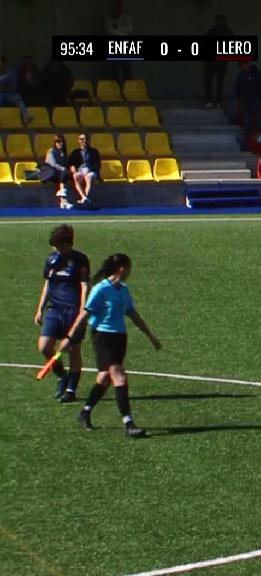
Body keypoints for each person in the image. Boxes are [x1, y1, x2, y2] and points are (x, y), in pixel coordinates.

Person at [61, 254, 161, 438]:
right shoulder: (101, 289)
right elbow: (84, 314)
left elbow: (133, 314)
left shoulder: (123, 289)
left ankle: (85, 412)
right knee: (119, 376)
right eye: (129, 268)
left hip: (119, 337)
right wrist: (70, 337)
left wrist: (150, 336)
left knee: (105, 377)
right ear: (122, 268)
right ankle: (128, 423)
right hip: (103, 337)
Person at [34, 225, 90, 402]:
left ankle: (71, 390)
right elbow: (48, 284)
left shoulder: (80, 260)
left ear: (67, 243)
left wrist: (83, 311)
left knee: (74, 350)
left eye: (58, 245)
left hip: (73, 310)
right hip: (54, 309)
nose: (55, 249)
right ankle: (61, 376)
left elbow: (84, 286)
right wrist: (40, 309)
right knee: (44, 346)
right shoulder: (51, 259)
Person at [204, 15, 234, 108]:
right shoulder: (213, 32)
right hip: (213, 61)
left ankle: (217, 101)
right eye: (218, 21)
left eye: (221, 21)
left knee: (218, 82)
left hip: (220, 61)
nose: (220, 23)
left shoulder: (226, 32)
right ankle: (212, 101)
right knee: (211, 81)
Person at [40, 135, 74, 209]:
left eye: (62, 142)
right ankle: (63, 199)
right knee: (63, 173)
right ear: (55, 143)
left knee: (64, 175)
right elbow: (53, 164)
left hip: (57, 174)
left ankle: (63, 202)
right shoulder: (50, 152)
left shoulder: (63, 153)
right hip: (48, 173)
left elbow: (65, 164)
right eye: (58, 142)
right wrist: (63, 168)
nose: (60, 143)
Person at [105, 1, 135, 84]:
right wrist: (123, 32)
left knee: (127, 70)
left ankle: (129, 90)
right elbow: (110, 31)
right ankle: (116, 91)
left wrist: (117, 30)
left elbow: (129, 30)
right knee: (115, 70)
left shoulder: (127, 18)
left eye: (120, 6)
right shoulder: (110, 18)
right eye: (117, 6)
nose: (119, 8)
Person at [68, 133, 101, 205]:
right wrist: (72, 167)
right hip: (80, 170)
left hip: (91, 171)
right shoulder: (75, 152)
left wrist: (90, 169)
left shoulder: (94, 151)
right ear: (79, 141)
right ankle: (84, 197)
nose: (84, 141)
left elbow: (98, 164)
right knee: (75, 176)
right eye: (82, 139)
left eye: (86, 139)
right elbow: (70, 163)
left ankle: (84, 198)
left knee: (89, 177)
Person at [234, 61, 261, 133]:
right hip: (245, 102)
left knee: (259, 120)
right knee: (247, 122)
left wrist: (259, 97)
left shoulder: (256, 73)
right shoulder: (240, 76)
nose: (243, 67)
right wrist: (241, 98)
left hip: (256, 100)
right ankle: (249, 139)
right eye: (241, 66)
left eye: (243, 65)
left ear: (247, 64)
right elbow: (238, 88)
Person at [0, 55, 33, 124]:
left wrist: (3, 86)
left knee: (17, 98)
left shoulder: (11, 72)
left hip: (8, 94)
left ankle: (26, 116)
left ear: (4, 63)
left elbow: (13, 86)